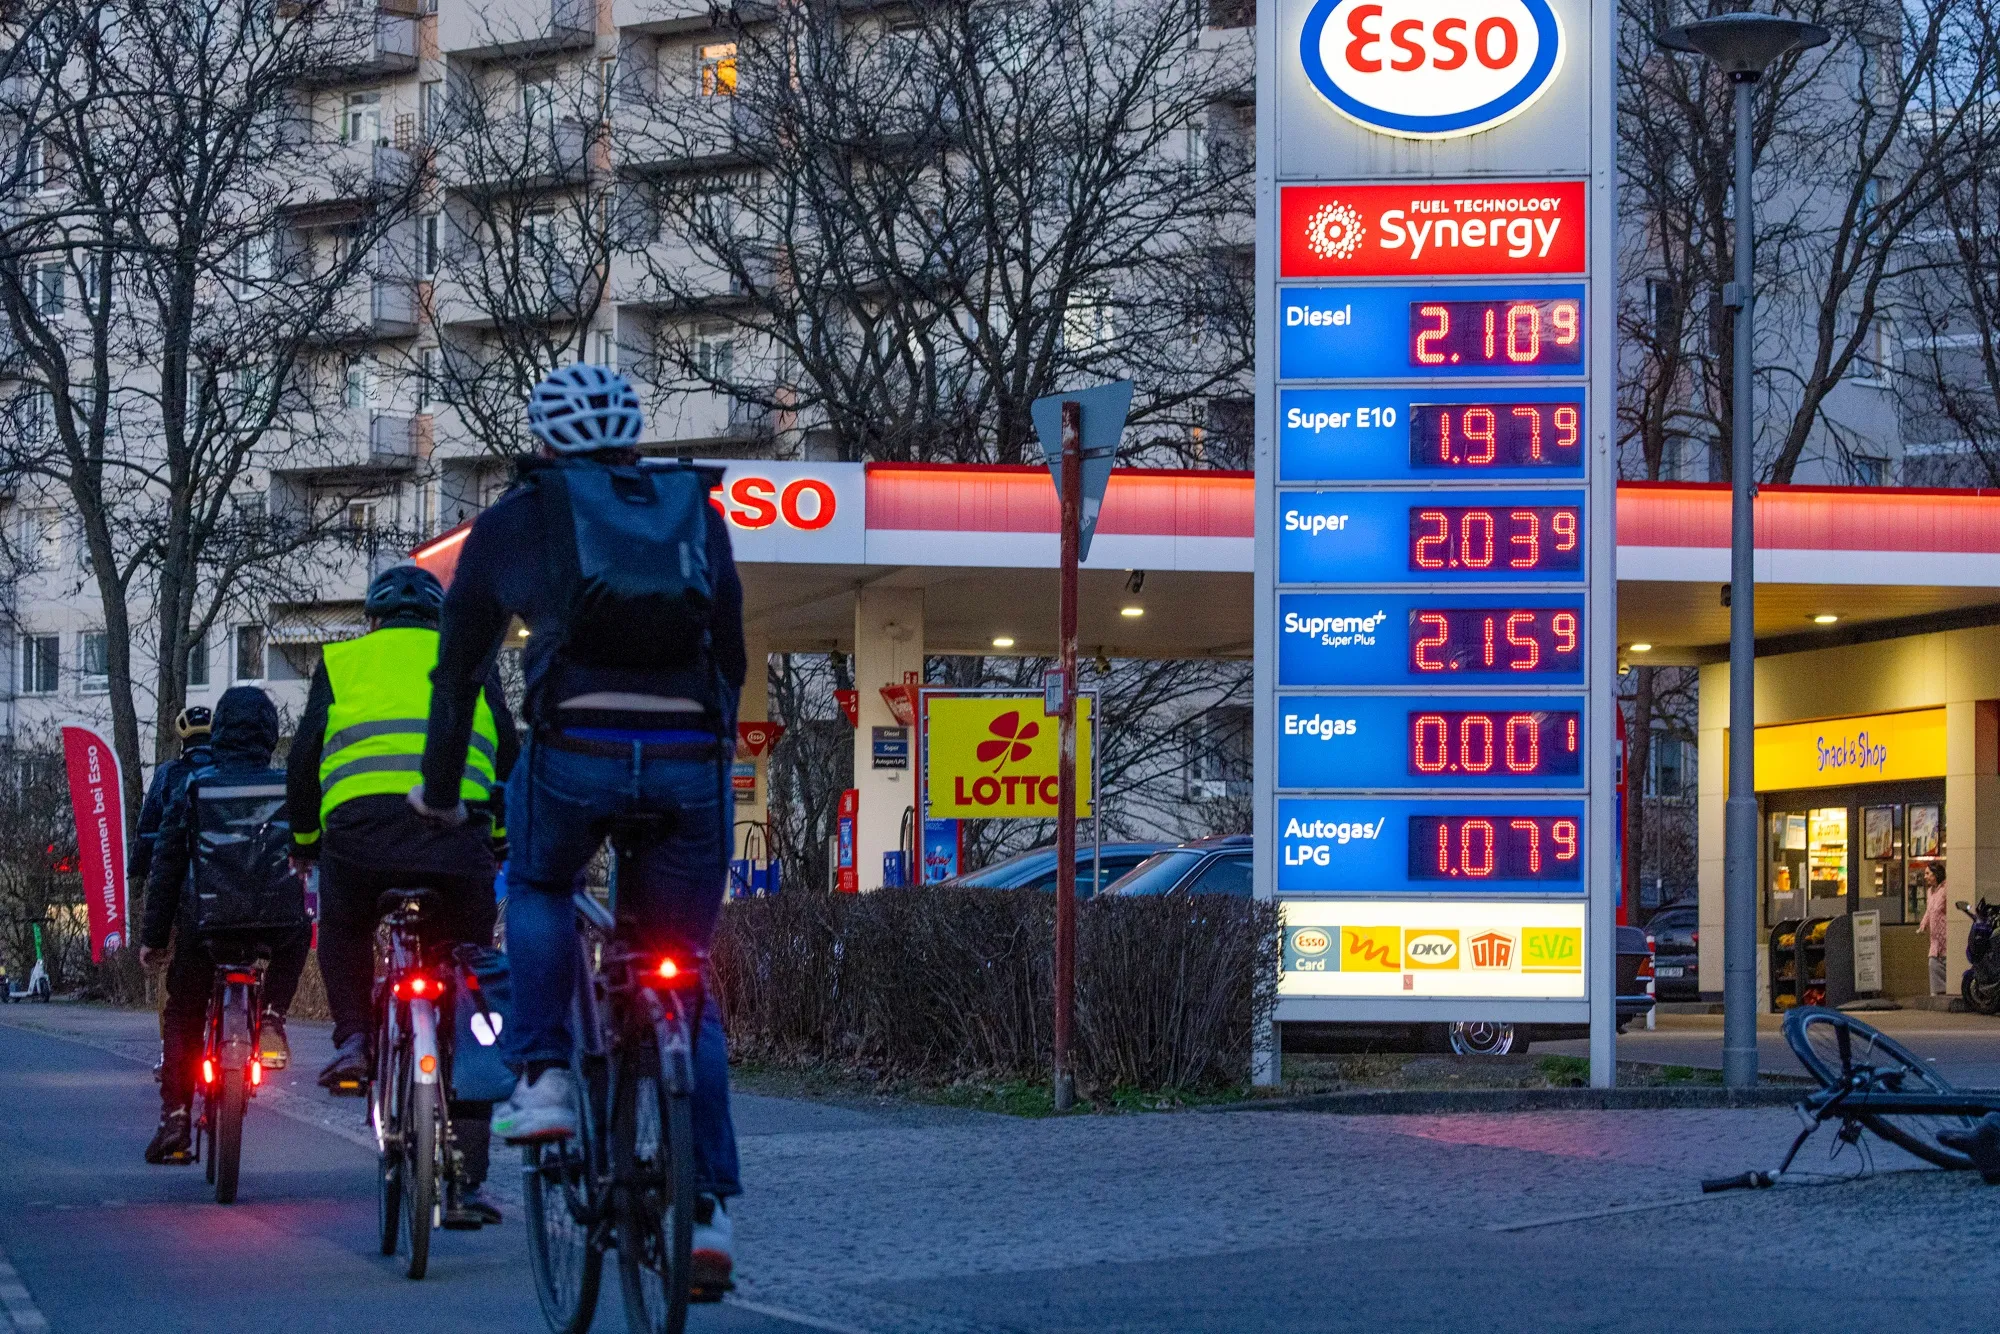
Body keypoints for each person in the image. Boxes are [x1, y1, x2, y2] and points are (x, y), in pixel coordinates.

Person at [411, 363, 746, 1292]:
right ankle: (709, 1213)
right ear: (635, 434)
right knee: (684, 977)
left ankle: (545, 1076)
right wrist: (703, 747)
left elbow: (460, 674)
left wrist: (442, 791)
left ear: (545, 437)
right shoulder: (692, 510)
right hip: (689, 767)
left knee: (541, 883)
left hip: (573, 756)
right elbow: (733, 654)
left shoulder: (519, 518)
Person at [289, 563, 517, 1228]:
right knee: (471, 982)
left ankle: (355, 1041)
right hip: (455, 841)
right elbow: (505, 749)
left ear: (373, 620)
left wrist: (305, 836)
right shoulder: (472, 657)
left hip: (360, 838)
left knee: (345, 925)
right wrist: (495, 837)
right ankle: (468, 1182)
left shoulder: (343, 662)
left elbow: (305, 758)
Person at [138, 687, 310, 1164]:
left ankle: (174, 1116)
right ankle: (272, 1016)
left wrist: (154, 939)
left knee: (183, 1013)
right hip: (274, 922)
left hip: (207, 924)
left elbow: (168, 865)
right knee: (299, 934)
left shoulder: (195, 786)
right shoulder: (287, 786)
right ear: (270, 734)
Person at [1917, 862, 1950, 996]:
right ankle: (1937, 993)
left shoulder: (1946, 889)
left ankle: (1949, 991)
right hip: (1935, 940)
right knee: (1933, 963)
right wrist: (1923, 925)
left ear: (1936, 875)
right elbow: (1929, 911)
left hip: (1946, 937)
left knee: (1947, 964)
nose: (1925, 877)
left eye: (1928, 874)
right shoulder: (1930, 892)